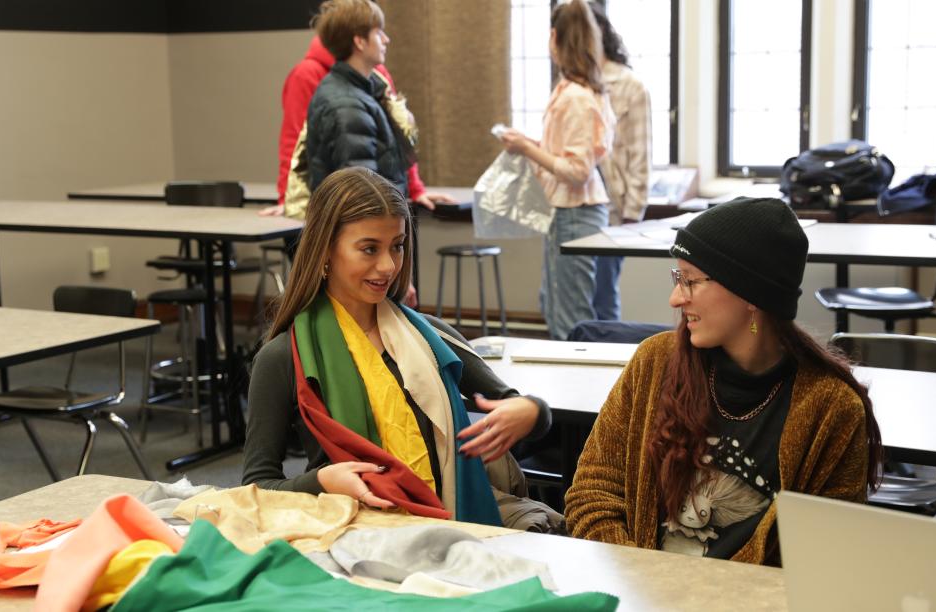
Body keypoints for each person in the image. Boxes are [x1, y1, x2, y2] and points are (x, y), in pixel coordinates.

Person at [564, 197, 884, 565]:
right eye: (676, 278)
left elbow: (827, 557)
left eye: (690, 281)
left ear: (750, 294)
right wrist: (646, 581)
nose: (674, 298)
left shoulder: (831, 410)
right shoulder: (654, 364)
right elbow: (592, 495)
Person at [242, 167, 552, 527]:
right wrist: (321, 482)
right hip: (358, 530)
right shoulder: (282, 357)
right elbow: (255, 488)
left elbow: (527, 410)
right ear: (325, 250)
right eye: (369, 249)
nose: (388, 265)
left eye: (398, 246)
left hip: (457, 520)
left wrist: (529, 410)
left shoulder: (430, 336)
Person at [501, 0, 614, 341]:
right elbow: (567, 153)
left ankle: (578, 394)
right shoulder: (575, 91)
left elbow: (577, 170)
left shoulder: (576, 96)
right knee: (556, 306)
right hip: (568, 212)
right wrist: (530, 143)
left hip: (575, 213)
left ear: (555, 37)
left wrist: (527, 149)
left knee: (570, 318)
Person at [266, 34, 455, 219]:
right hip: (338, 211)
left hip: (388, 206)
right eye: (377, 31)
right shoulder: (307, 73)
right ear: (359, 39)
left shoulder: (377, 72)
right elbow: (294, 140)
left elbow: (397, 139)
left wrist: (415, 188)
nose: (386, 38)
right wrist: (287, 199)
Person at [588, 2, 652, 322]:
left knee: (602, 292)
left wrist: (633, 211)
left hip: (613, 208)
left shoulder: (629, 85)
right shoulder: (572, 82)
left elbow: (641, 152)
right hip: (574, 204)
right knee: (568, 297)